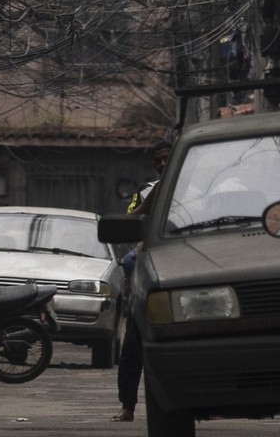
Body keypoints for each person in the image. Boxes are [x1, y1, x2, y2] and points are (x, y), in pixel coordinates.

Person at [113, 138, 172, 423]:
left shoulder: (197, 189)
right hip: (148, 270)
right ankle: (128, 405)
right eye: (158, 159)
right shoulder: (146, 190)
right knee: (133, 341)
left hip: (181, 269)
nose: (162, 163)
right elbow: (130, 223)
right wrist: (150, 203)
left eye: (167, 157)